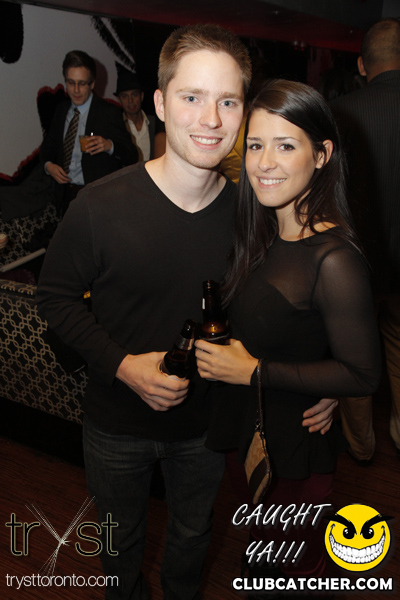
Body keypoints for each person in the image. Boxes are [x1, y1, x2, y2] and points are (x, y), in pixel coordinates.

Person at [36, 26, 337, 600]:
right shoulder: (99, 206)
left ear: (244, 112)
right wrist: (123, 365)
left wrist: (320, 380)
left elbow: (291, 307)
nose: (210, 119)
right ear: (159, 103)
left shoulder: (254, 214)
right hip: (116, 423)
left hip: (206, 426)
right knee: (119, 548)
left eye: (228, 101)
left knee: (194, 536)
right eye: (191, 97)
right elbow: (54, 298)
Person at [195, 79, 381, 586]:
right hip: (246, 430)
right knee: (262, 557)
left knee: (298, 571)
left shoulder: (334, 259)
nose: (265, 163)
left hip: (293, 450)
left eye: (285, 145)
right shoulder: (257, 231)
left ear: (322, 155)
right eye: (256, 145)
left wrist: (255, 371)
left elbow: (364, 374)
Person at [330, 18, 400, 464]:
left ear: (361, 64)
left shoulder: (340, 113)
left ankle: (360, 445)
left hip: (354, 263)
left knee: (353, 356)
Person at [40, 50, 138, 217]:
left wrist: (109, 145)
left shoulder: (108, 113)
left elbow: (132, 155)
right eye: (71, 83)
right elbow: (47, 147)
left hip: (98, 199)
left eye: (82, 83)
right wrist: (49, 166)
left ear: (92, 84)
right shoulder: (61, 110)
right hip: (65, 197)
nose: (76, 90)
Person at [114, 65, 166, 161]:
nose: (130, 100)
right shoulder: (116, 126)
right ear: (119, 99)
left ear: (141, 96)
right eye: (125, 96)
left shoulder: (156, 123)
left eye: (134, 95)